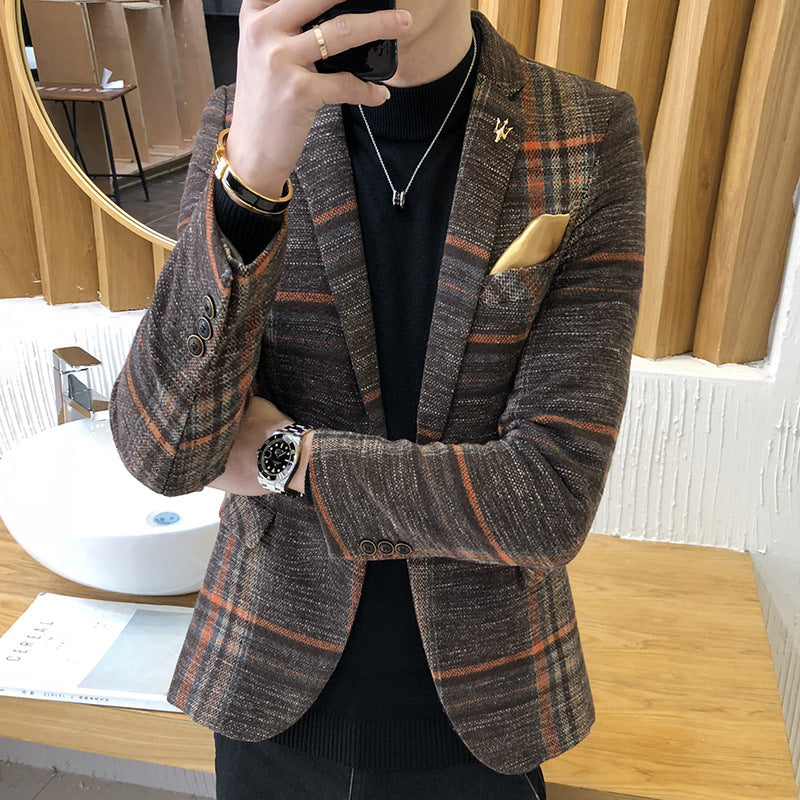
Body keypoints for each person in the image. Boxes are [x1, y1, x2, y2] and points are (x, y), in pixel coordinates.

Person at [108, 0, 646, 798]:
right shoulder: (243, 119)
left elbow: (551, 498)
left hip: (482, 717)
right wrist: (249, 181)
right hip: (266, 698)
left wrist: (289, 458)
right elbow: (165, 451)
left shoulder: (584, 132)